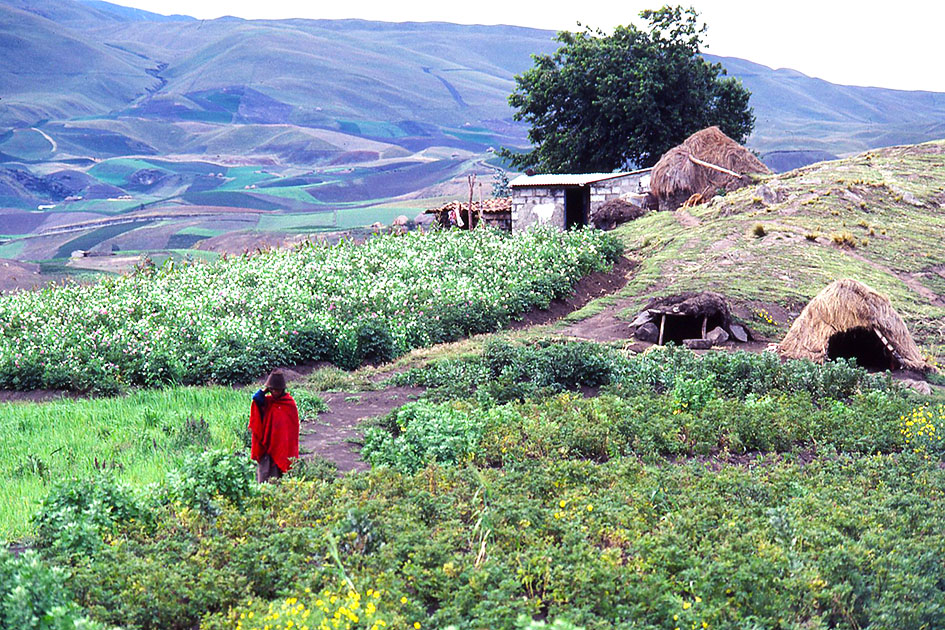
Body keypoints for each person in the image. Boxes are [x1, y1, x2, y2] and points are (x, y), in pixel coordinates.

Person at [249, 370, 299, 483]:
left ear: (282, 389)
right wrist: (265, 389)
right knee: (264, 475)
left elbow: (290, 430)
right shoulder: (267, 402)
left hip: (281, 446)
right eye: (272, 389)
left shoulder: (289, 404)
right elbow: (256, 398)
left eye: (277, 389)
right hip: (266, 445)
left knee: (277, 477)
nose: (274, 392)